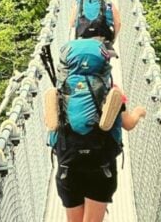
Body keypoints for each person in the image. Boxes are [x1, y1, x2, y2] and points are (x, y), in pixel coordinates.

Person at [44, 38, 146, 222]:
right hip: (101, 167)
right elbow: (128, 124)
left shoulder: (59, 93)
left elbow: (51, 132)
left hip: (68, 167)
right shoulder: (112, 91)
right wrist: (139, 112)